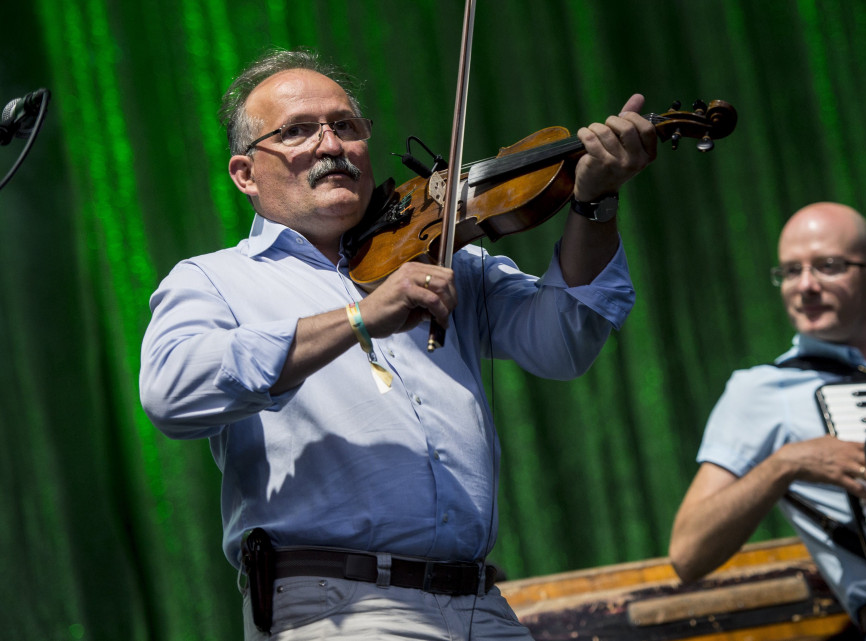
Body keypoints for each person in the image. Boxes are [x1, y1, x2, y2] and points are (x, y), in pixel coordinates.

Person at [139, 48, 657, 640]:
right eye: (297, 132)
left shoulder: (441, 256)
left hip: (477, 603)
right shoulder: (213, 280)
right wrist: (359, 318)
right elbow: (172, 394)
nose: (330, 145)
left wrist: (592, 204)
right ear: (245, 173)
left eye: (347, 127)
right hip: (338, 607)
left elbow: (563, 344)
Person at [668, 202, 866, 639]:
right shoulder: (761, 391)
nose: (806, 286)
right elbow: (688, 553)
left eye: (828, 266)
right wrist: (788, 463)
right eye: (791, 271)